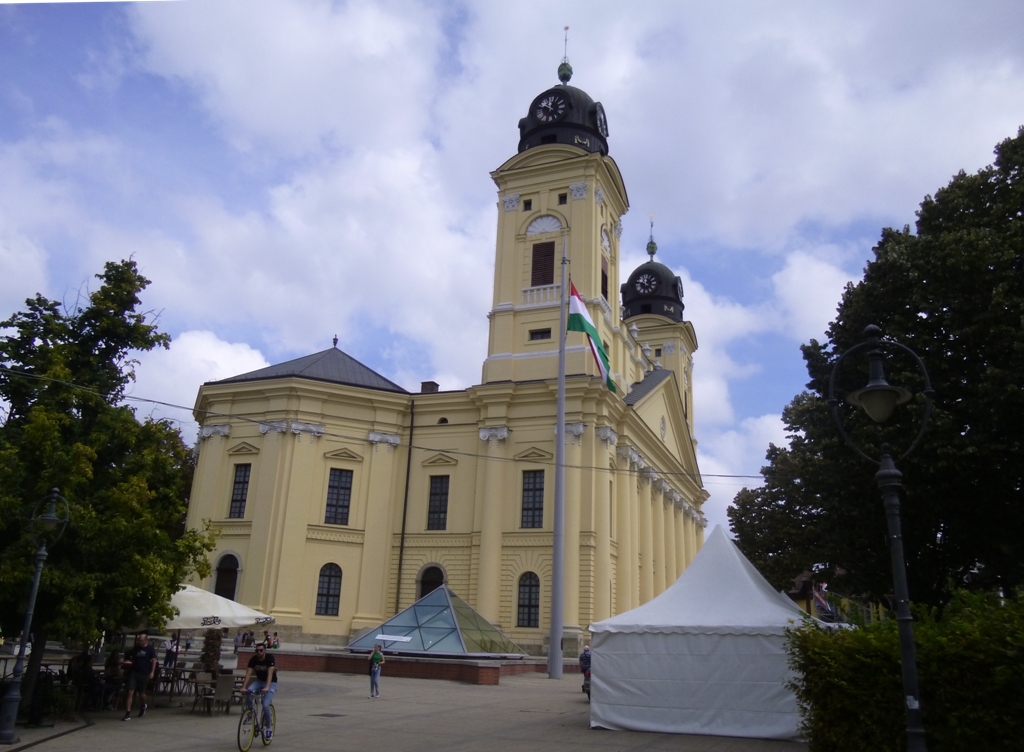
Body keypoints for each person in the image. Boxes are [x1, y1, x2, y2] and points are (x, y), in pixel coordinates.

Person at [242, 643, 277, 741]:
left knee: (265, 705)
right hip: (259, 681)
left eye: (261, 650)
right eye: (257, 650)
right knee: (249, 691)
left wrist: (267, 687)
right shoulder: (253, 659)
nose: (259, 652)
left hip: (271, 683)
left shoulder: (270, 659)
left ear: (265, 650)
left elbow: (270, 674)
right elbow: (248, 673)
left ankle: (268, 728)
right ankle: (250, 713)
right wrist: (244, 687)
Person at [122, 633, 157, 721]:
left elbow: (154, 660)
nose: (139, 642)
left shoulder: (150, 649)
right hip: (134, 672)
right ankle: (128, 712)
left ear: (145, 640)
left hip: (144, 672)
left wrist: (152, 672)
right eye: (138, 640)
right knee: (130, 691)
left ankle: (143, 704)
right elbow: (133, 658)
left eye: (140, 640)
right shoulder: (136, 648)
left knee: (141, 692)